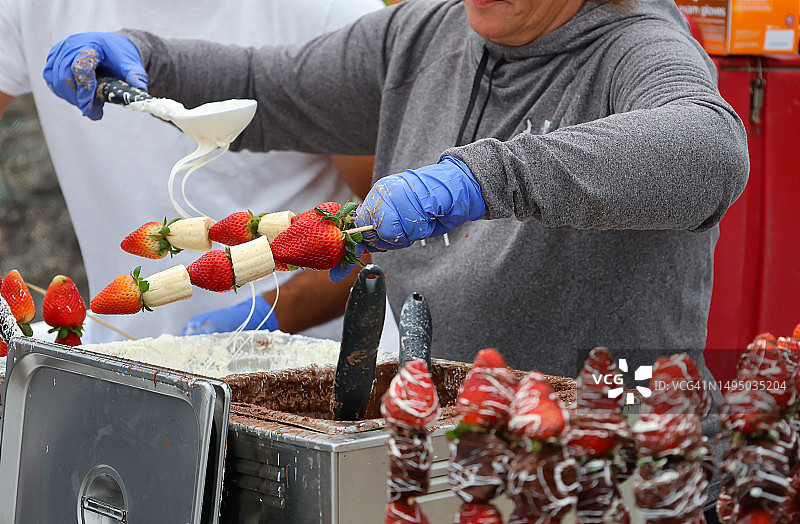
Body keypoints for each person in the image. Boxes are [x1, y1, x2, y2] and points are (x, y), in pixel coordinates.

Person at [41, 0, 748, 376]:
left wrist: (483, 177)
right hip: (441, 444)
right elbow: (266, 86)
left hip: (605, 451)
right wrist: (150, 62)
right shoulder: (425, 34)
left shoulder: (640, 48)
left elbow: (712, 148)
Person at [0, 0, 389, 344]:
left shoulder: (330, 13)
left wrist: (264, 318)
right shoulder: (29, 7)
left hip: (300, 371)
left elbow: (387, 233)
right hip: (120, 357)